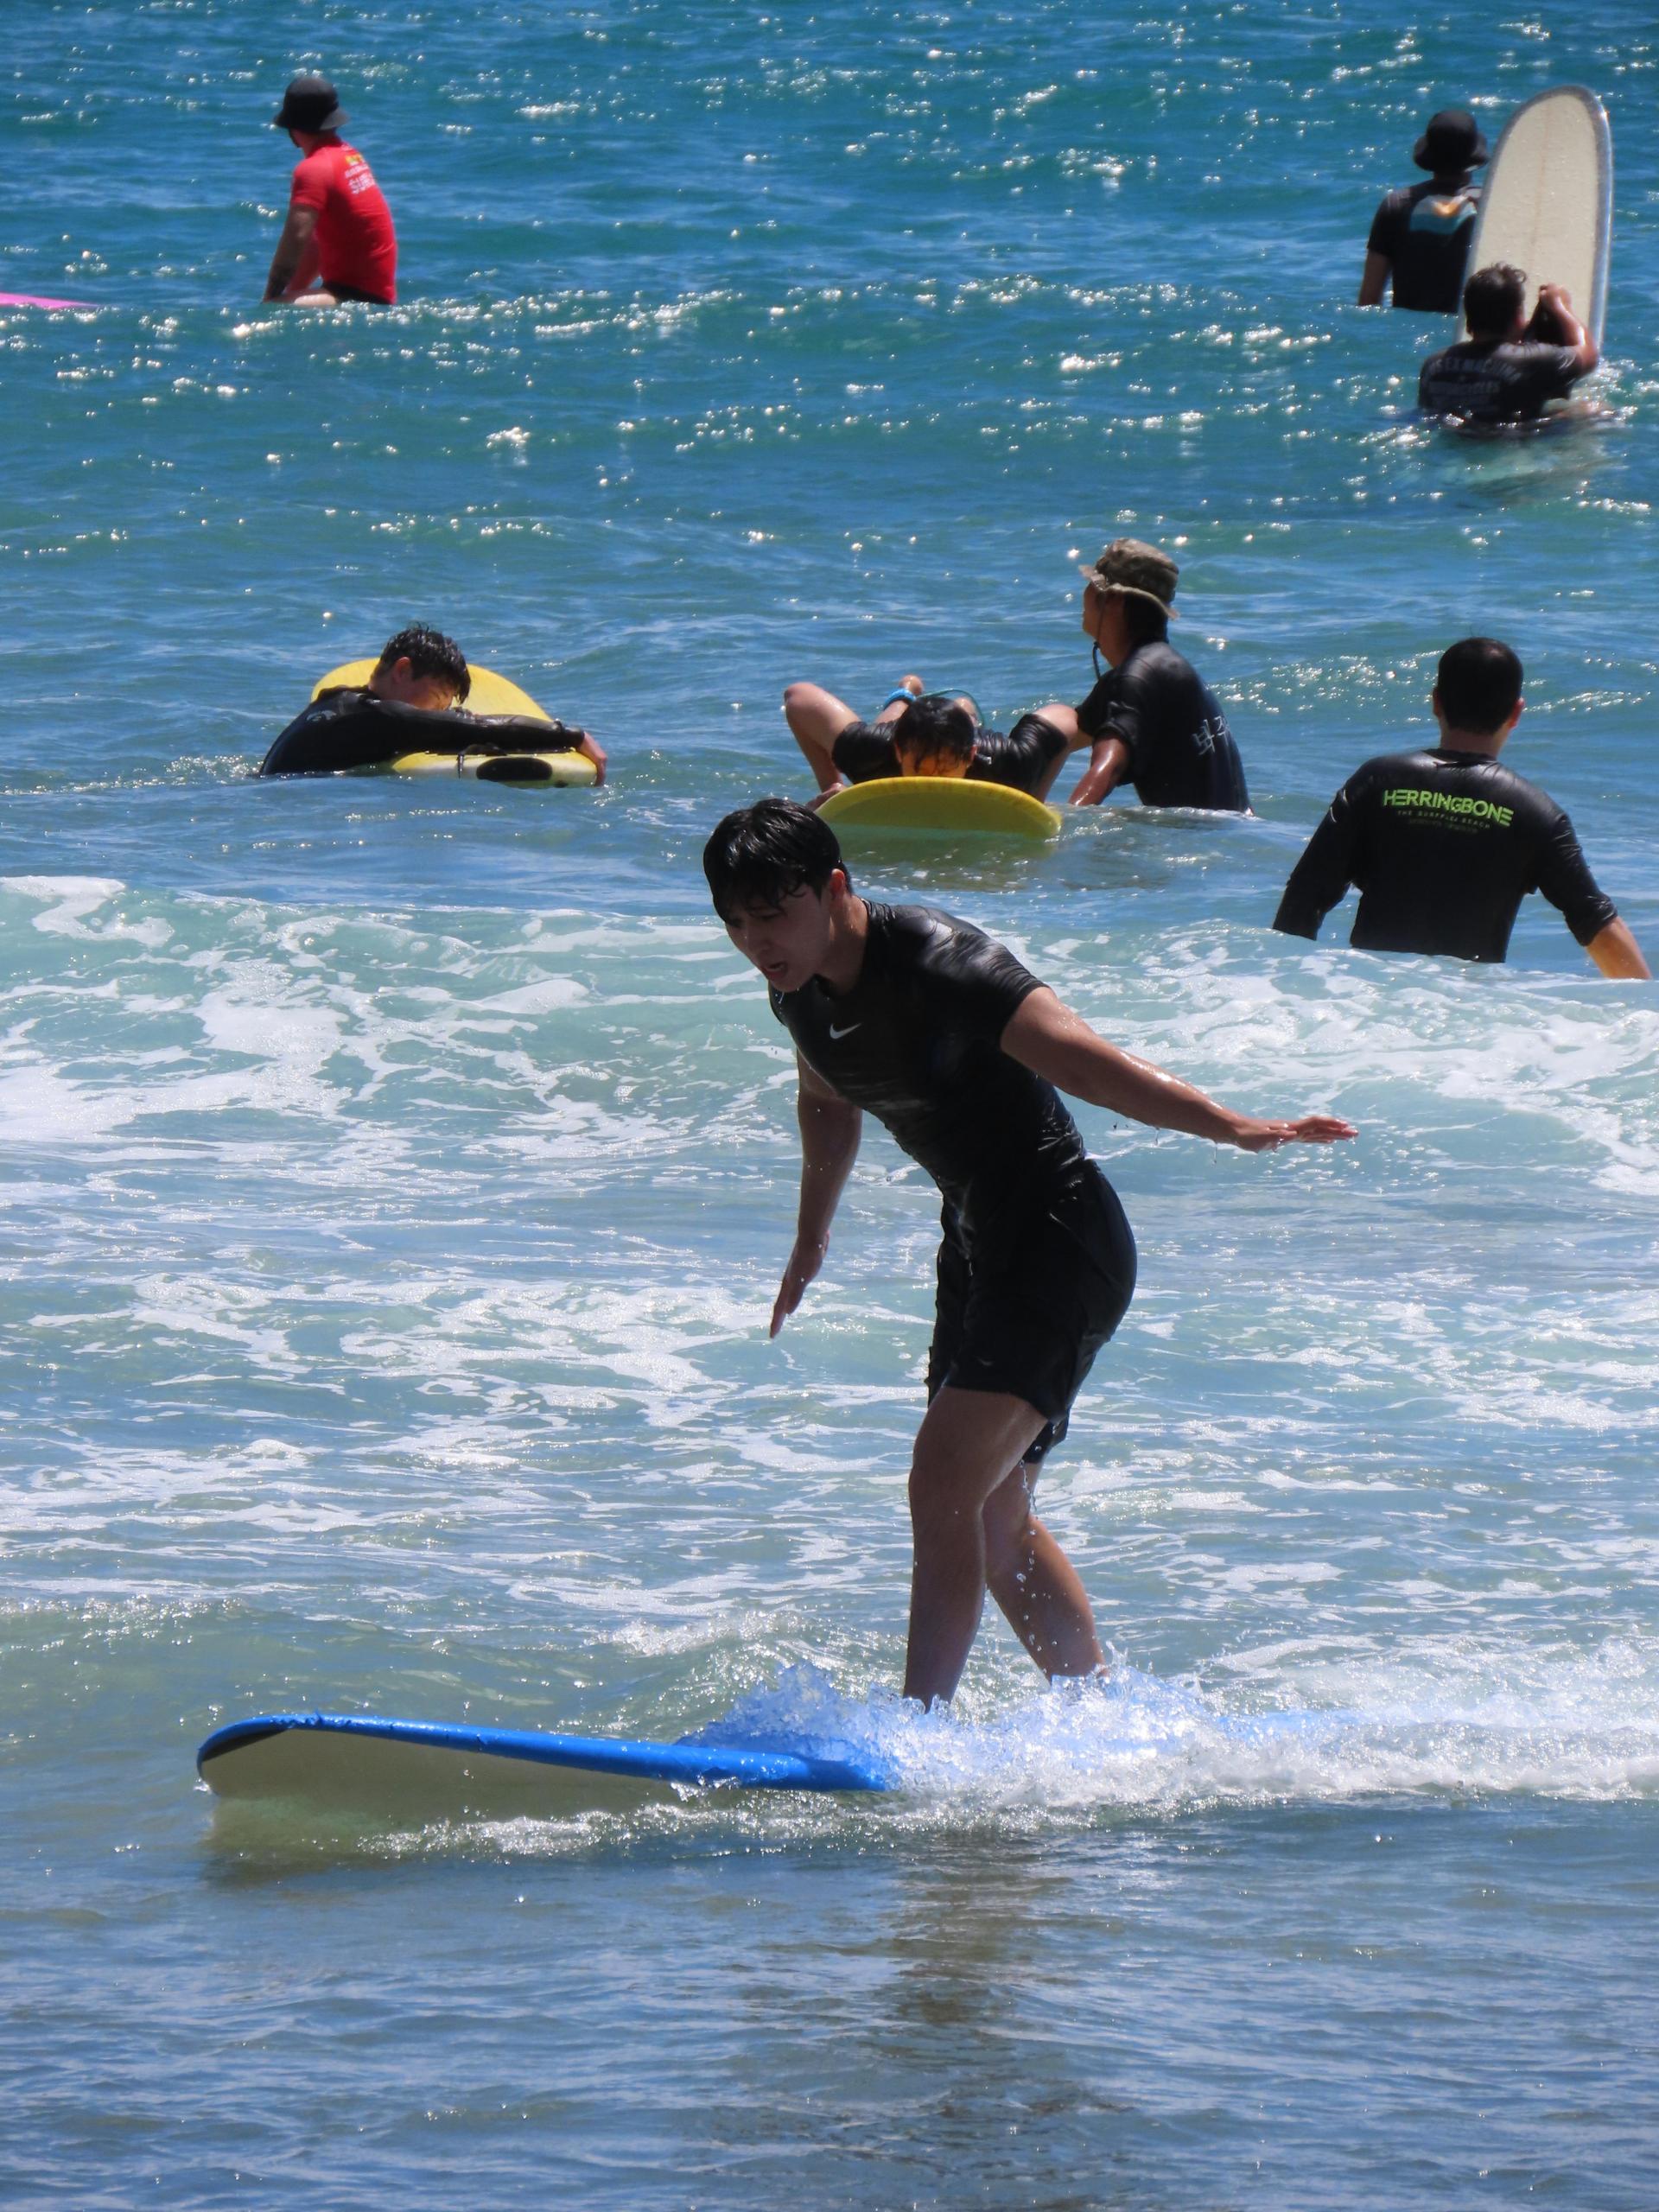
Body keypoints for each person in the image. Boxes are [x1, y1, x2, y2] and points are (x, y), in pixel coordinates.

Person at [704, 798, 1355, 1707]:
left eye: (773, 914)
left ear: (834, 887)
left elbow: (1082, 1059)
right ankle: (1103, 1719)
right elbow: (826, 1098)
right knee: (992, 1521)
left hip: (1058, 1236)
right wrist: (811, 1237)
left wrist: (1233, 1126)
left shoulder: (939, 960)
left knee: (944, 1482)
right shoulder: (795, 985)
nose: (756, 942)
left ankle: (916, 1731)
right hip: (978, 1241)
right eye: (736, 922)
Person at [1272, 638, 1649, 976]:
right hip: (1463, 1014)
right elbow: (1597, 924)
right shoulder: (1536, 812)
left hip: (1367, 1003)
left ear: (1436, 702)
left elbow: (1304, 898)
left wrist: (1287, 995)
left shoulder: (1375, 783)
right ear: (1516, 713)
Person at [1015, 539, 1250, 810]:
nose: (1085, 592)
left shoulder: (1137, 677)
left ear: (1114, 600)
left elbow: (1109, 767)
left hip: (1195, 833)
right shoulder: (1162, 668)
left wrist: (1066, 821)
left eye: (1092, 584)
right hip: (1232, 829)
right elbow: (1068, 735)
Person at [259, 625, 607, 779]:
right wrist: (572, 736)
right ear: (403, 671)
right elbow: (475, 729)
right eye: (439, 698)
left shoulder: (337, 701)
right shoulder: (385, 719)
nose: (440, 712)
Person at [782, 677, 1077, 803]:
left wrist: (1034, 797)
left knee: (962, 720)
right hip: (901, 735)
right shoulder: (872, 752)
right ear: (899, 753)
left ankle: (964, 709)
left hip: (964, 738)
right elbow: (797, 697)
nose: (931, 781)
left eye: (945, 769)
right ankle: (905, 692)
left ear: (970, 756)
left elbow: (1067, 720)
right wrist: (831, 787)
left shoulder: (1009, 762)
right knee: (887, 725)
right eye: (920, 769)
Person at [264, 75, 397, 308]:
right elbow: (316, 244)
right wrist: (294, 291)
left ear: (293, 129)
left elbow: (296, 239)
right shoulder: (349, 156)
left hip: (353, 295)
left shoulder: (313, 169)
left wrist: (269, 299)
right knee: (284, 302)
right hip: (378, 294)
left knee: (273, 310)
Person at [1418, 264, 1598, 426]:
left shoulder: (1433, 365)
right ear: (1518, 317)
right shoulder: (1530, 359)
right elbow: (1589, 355)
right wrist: (1560, 305)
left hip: (1456, 435)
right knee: (1592, 409)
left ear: (1469, 316)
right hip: (1512, 437)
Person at [1359, 108, 1488, 312]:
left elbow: (1369, 299)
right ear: (1473, 157)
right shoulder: (1488, 205)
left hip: (1406, 329)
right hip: (1469, 327)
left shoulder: (1396, 205)